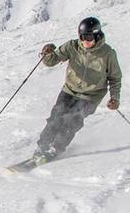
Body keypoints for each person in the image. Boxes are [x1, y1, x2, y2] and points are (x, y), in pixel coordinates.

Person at [22, 16, 122, 166]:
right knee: (56, 116)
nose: (84, 41)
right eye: (82, 37)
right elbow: (52, 61)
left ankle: (56, 148)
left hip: (91, 95)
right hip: (69, 90)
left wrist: (115, 98)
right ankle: (42, 146)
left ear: (97, 35)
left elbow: (115, 78)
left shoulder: (108, 54)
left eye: (88, 37)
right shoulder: (72, 46)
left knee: (73, 119)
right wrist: (47, 53)